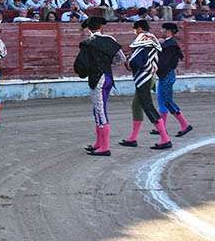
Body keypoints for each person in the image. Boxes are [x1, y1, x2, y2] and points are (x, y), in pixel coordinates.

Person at [74, 16, 124, 157]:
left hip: (97, 80)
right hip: (108, 78)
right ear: (101, 27)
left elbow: (81, 65)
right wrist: (108, 64)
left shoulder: (88, 43)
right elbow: (121, 59)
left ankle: (105, 147)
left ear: (89, 29)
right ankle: (99, 144)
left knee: (100, 111)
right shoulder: (110, 40)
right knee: (98, 110)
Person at [118, 19, 172, 150]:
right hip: (150, 75)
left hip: (144, 76)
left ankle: (165, 138)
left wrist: (128, 63)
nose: (135, 32)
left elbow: (136, 62)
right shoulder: (152, 40)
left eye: (135, 29)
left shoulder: (143, 40)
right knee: (136, 105)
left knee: (147, 106)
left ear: (140, 28)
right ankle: (133, 138)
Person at [155, 22, 192, 138]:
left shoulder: (170, 45)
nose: (161, 32)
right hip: (164, 75)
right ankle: (163, 126)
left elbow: (165, 62)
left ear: (168, 31)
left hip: (166, 75)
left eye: (163, 30)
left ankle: (185, 125)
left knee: (167, 101)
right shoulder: (169, 44)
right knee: (161, 100)